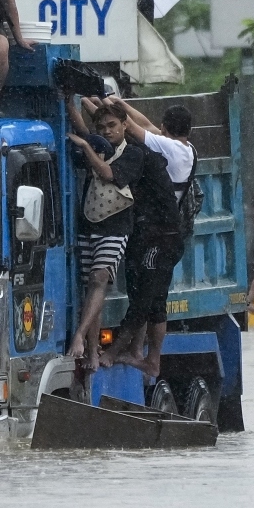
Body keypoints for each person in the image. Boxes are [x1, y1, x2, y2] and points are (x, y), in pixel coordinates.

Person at [90, 97, 196, 377]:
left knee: (143, 300)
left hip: (160, 235)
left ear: (164, 127)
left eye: (112, 125)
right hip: (165, 233)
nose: (107, 130)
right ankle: (147, 357)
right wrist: (114, 103)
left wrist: (101, 106)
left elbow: (135, 128)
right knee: (155, 302)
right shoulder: (185, 148)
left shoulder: (159, 150)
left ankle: (117, 353)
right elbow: (140, 124)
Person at [65, 99, 143, 371]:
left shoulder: (133, 154)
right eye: (102, 127)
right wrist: (68, 101)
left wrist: (86, 145)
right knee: (91, 288)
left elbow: (108, 173)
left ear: (124, 125)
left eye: (112, 125)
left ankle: (79, 336)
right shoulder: (98, 145)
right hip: (89, 224)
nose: (107, 131)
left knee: (100, 279)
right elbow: (81, 127)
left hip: (116, 227)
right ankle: (92, 352)